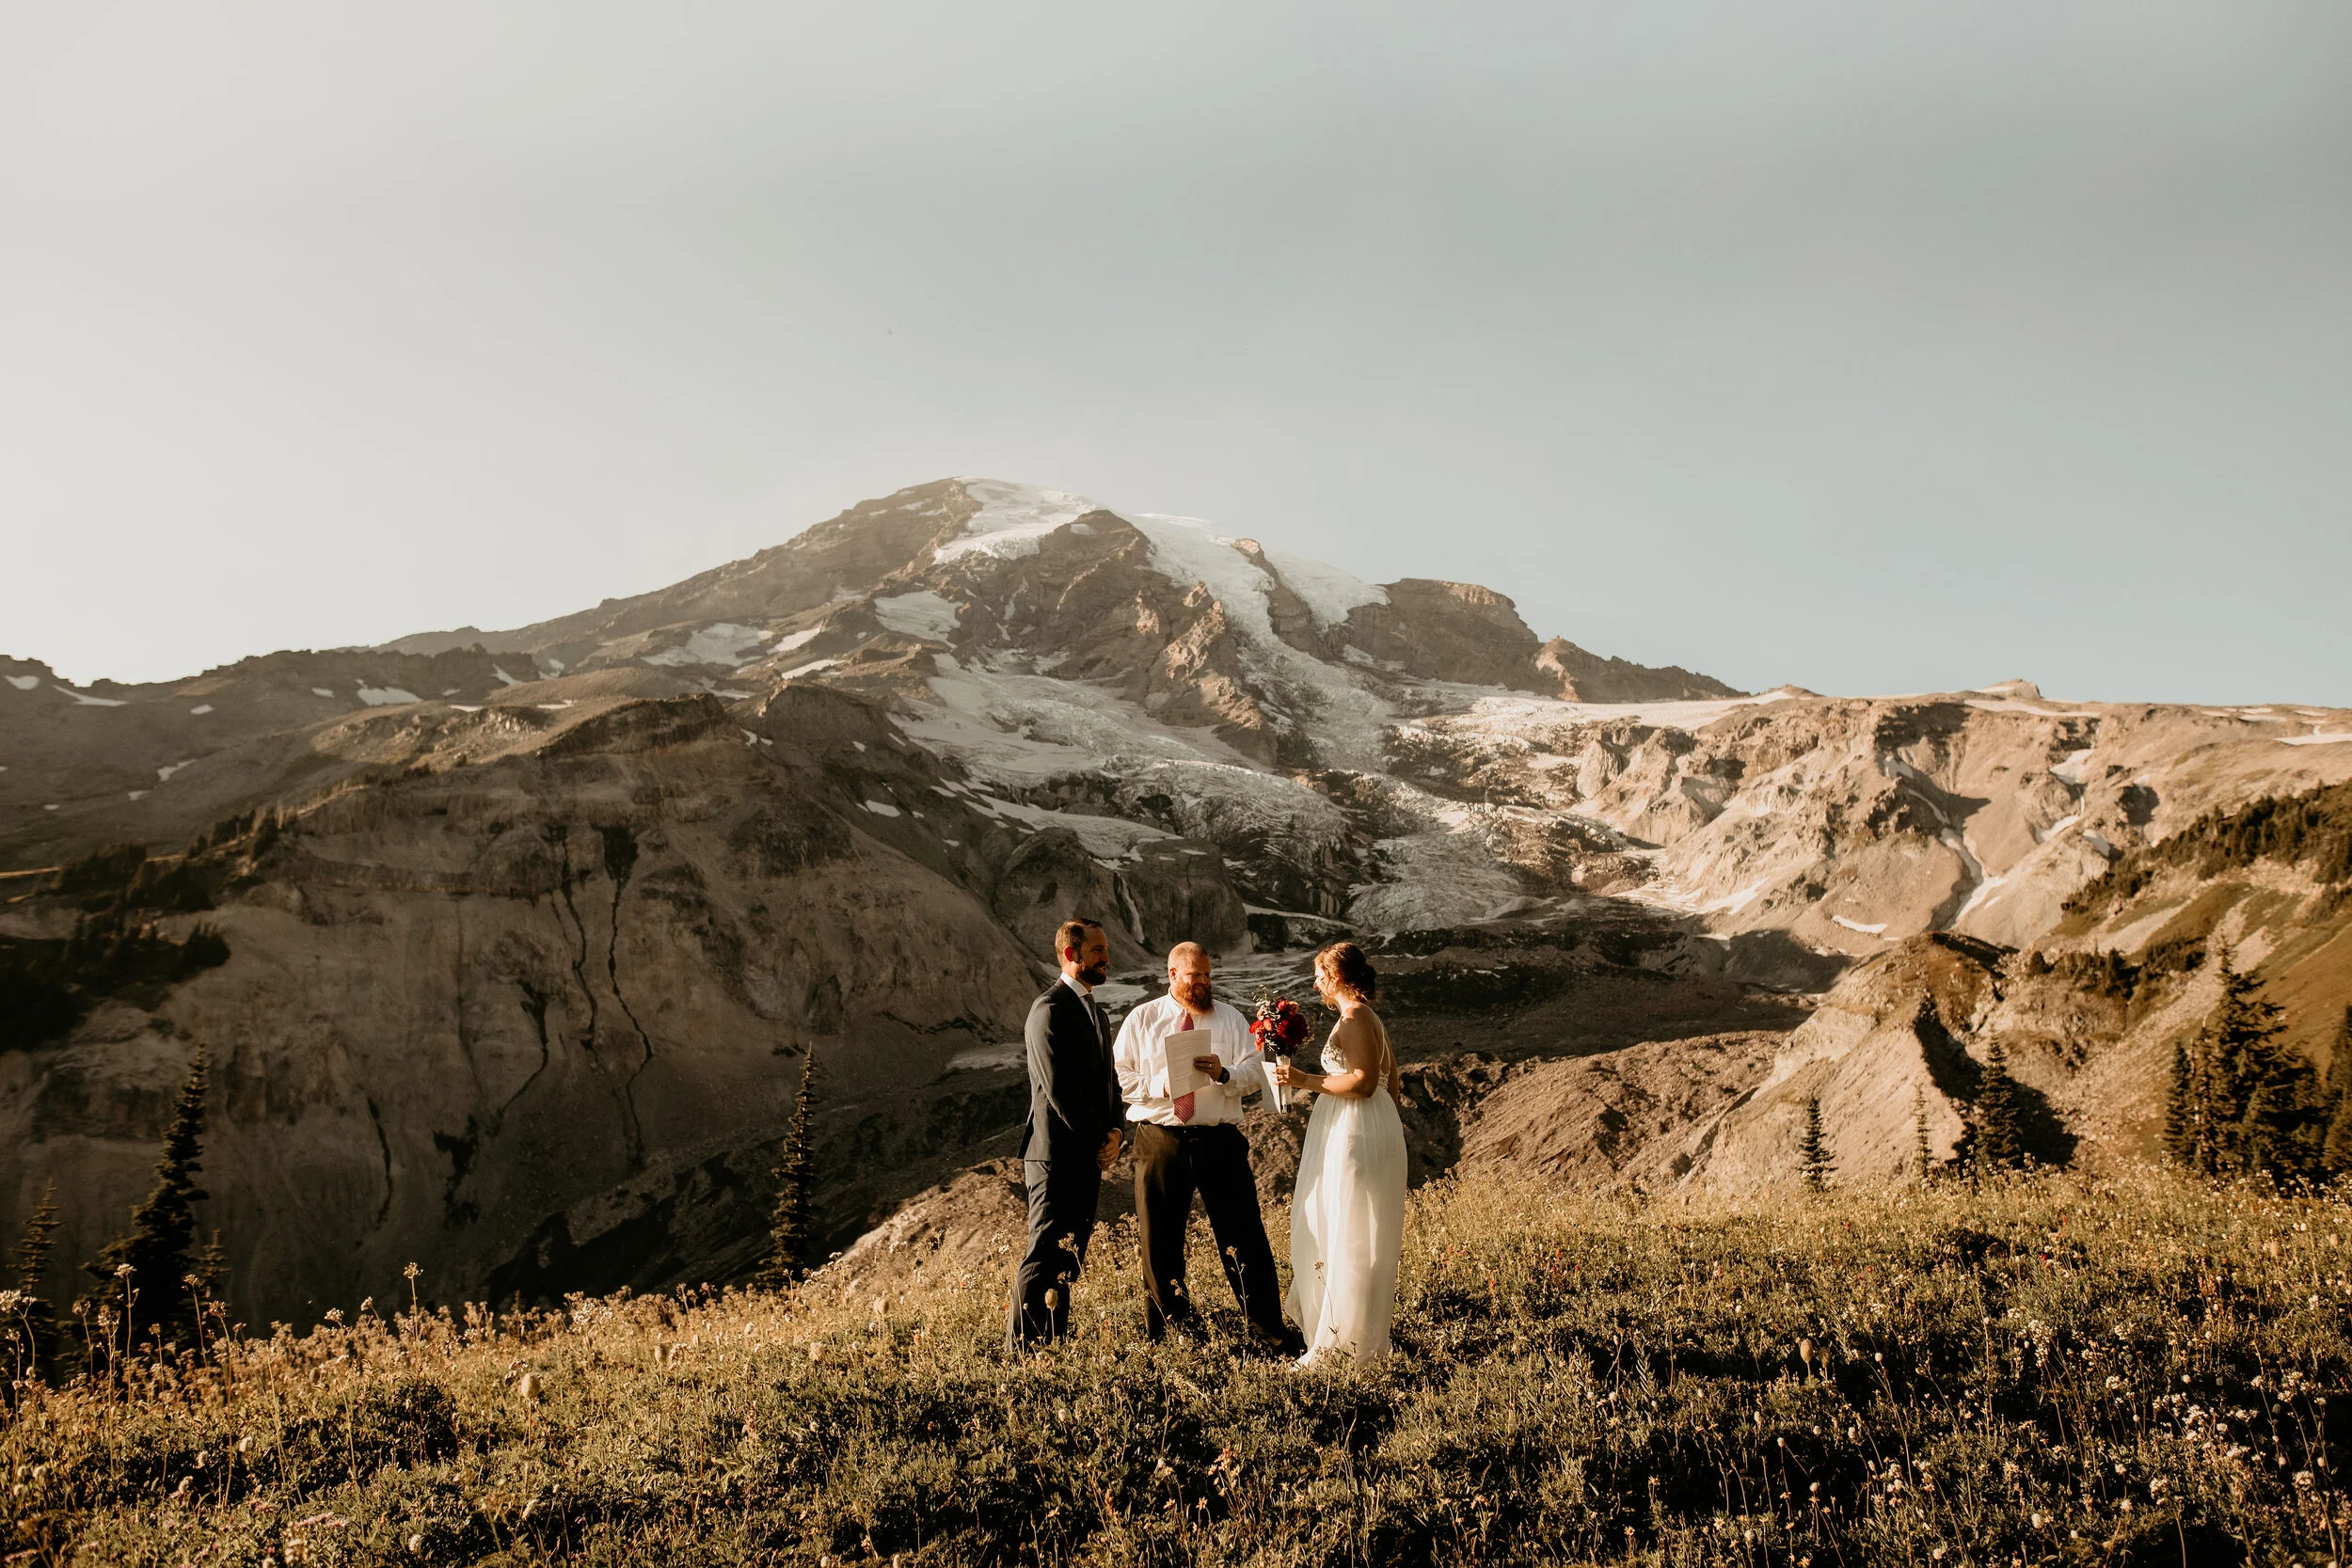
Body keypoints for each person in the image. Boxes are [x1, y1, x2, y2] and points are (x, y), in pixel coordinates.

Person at [1111, 942, 1306, 1354]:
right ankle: (1171, 1338)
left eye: (1206, 975)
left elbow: (1256, 1074)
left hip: (1219, 1140)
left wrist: (1223, 1073)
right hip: (1160, 1139)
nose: (1202, 983)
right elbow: (1119, 1077)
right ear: (1172, 974)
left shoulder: (1231, 1019)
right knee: (1159, 1242)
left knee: (1245, 1236)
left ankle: (1269, 1334)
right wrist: (1159, 1086)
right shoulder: (1142, 1019)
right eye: (1194, 975)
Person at [1272, 941, 1407, 1368]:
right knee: (1361, 1233)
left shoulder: (1352, 1018)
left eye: (1318, 975)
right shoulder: (1373, 1020)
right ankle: (1361, 1337)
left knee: (1343, 1229)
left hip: (1353, 1131)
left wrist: (1302, 1079)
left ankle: (1341, 1344)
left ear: (1335, 977)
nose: (1315, 983)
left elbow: (1365, 1083)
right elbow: (1393, 1087)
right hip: (1376, 1128)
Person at [1004, 918, 1125, 1353]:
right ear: (1071, 954)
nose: (1106, 958)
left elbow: (1109, 1080)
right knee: (1043, 1255)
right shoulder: (1049, 1009)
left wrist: (1116, 1131)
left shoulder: (1098, 1013)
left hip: (1088, 1153)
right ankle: (1022, 1357)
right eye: (1097, 951)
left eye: (1105, 950)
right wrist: (1100, 1138)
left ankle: (1051, 1348)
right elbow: (1059, 1091)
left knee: (1068, 1259)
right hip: (1054, 1156)